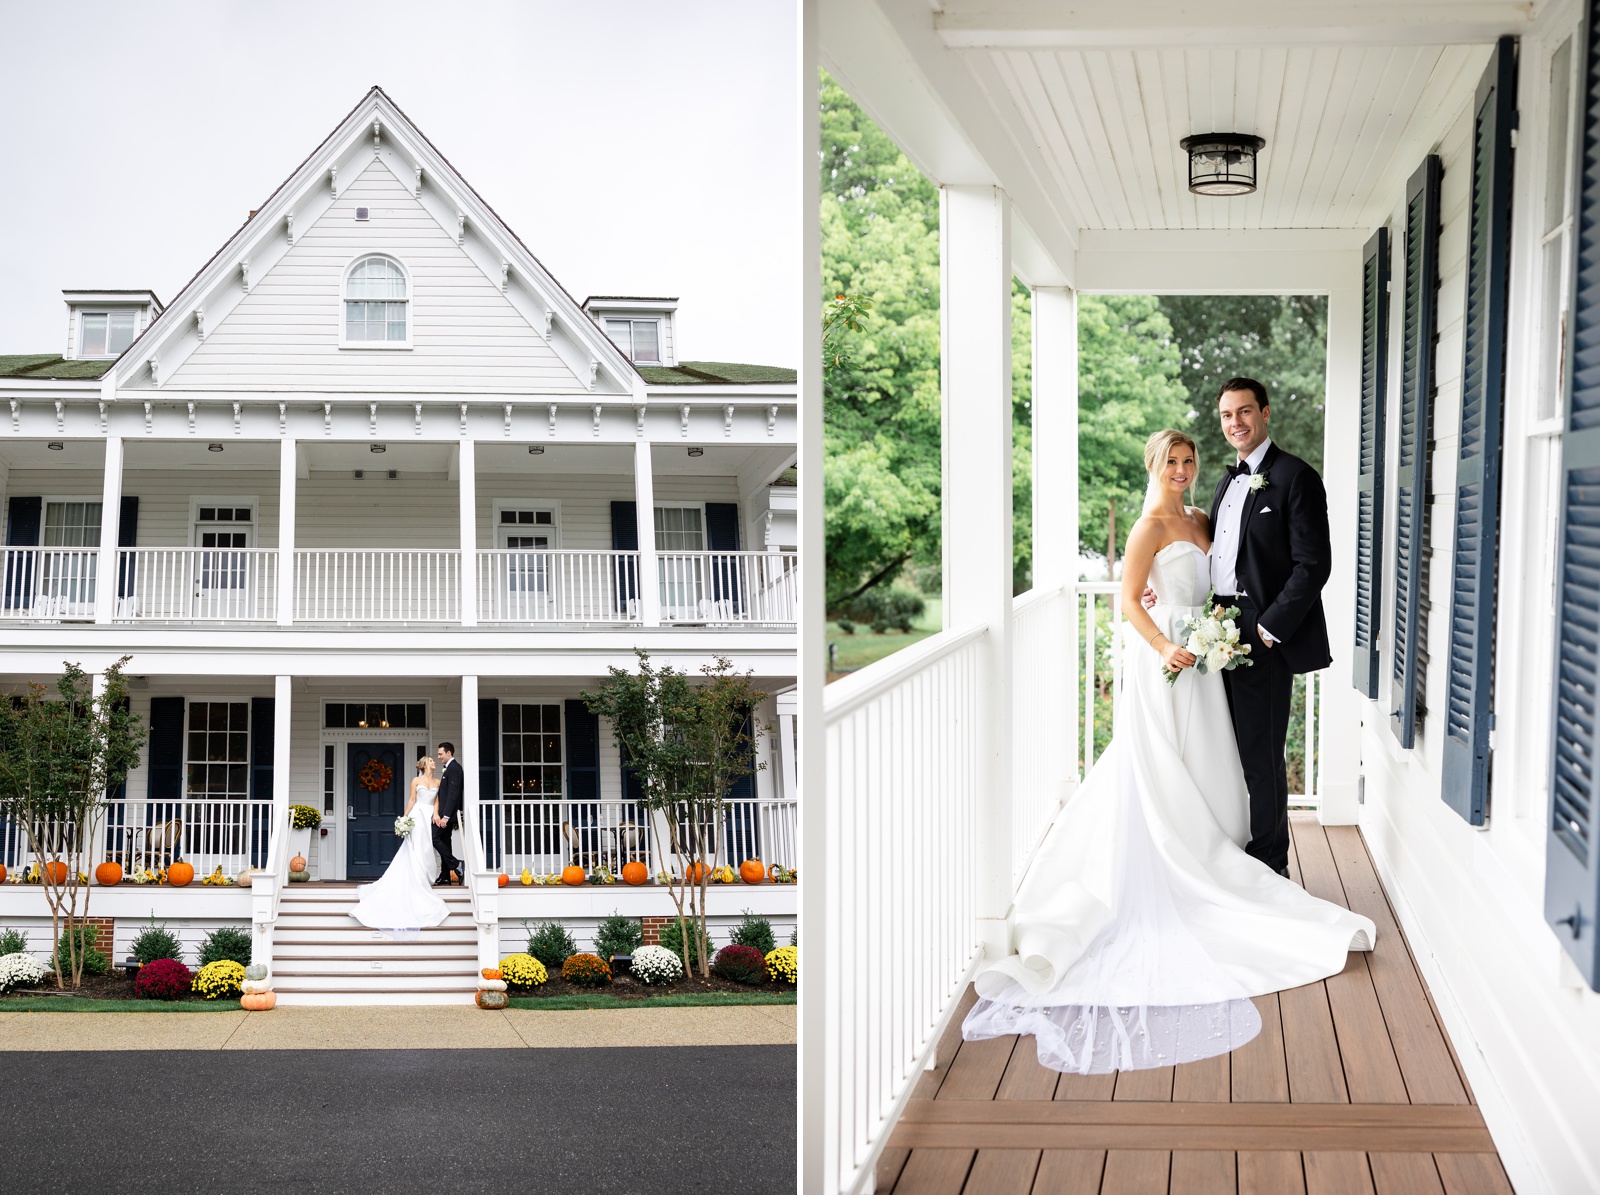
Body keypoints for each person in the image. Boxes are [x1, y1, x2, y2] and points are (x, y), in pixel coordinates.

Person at [961, 425, 1373, 1074]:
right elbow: (1129, 601)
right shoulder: (1147, 527)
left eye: (1189, 459)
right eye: (1171, 460)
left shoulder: (1207, 517)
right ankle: (1168, 857)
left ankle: (1213, 851)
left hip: (1206, 654)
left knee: (1211, 761)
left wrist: (1205, 633)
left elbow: (1227, 574)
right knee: (1156, 764)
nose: (1182, 468)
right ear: (1154, 463)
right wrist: (1165, 646)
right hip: (1166, 662)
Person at [351, 755, 451, 937]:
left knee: (427, 846)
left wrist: (436, 814)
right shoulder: (416, 780)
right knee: (415, 847)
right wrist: (405, 817)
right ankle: (416, 876)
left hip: (429, 815)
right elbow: (412, 799)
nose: (434, 762)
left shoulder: (438, 781)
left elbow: (437, 800)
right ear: (424, 764)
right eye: (431, 760)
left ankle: (426, 875)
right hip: (417, 815)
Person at [433, 742, 464, 886]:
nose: (438, 757)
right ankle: (445, 875)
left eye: (440, 754)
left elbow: (453, 794)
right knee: (445, 842)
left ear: (449, 753)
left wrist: (445, 816)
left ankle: (456, 864)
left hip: (447, 815)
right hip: (445, 813)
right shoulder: (449, 769)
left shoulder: (454, 769)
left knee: (435, 837)